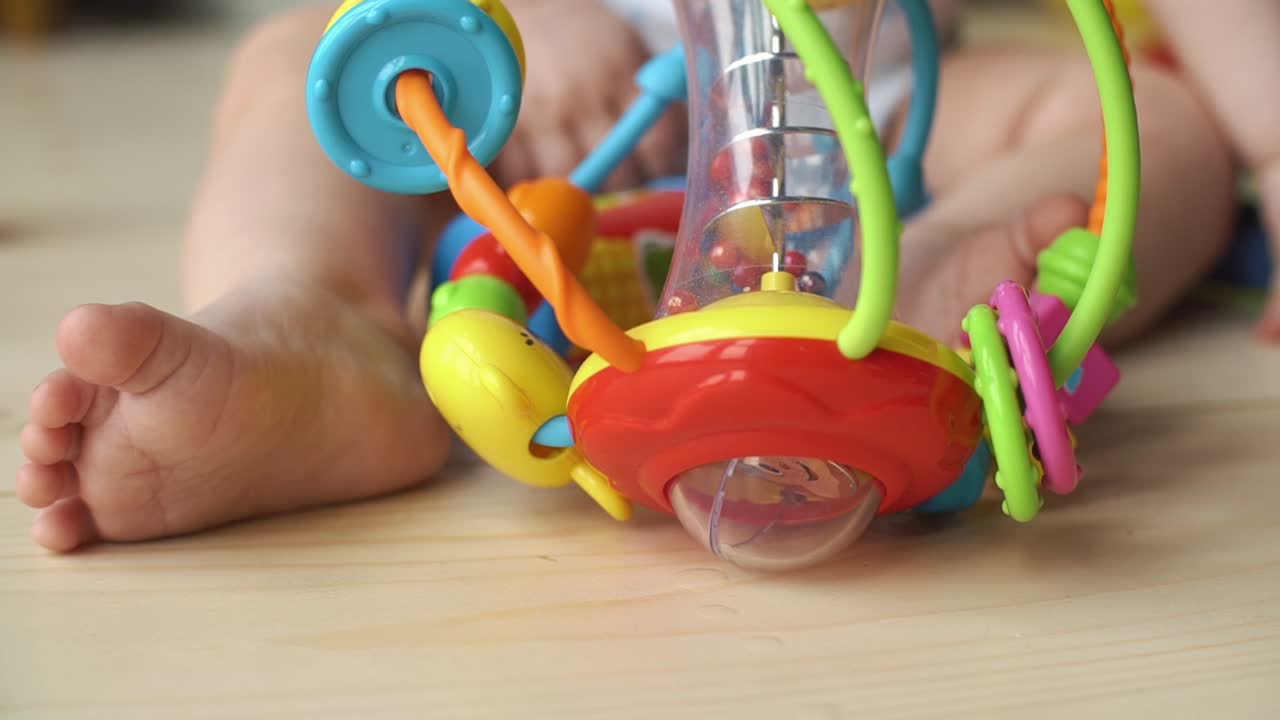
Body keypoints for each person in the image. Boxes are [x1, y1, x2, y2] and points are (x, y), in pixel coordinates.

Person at [14, 0, 1253, 552]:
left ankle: (928, 273)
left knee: (1150, 118)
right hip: (553, 97)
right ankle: (313, 319)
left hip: (874, 101)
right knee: (313, 61)